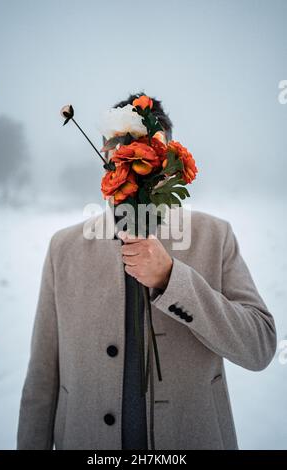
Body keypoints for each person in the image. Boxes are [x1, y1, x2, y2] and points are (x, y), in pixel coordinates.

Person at [17, 93, 277, 450]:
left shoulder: (215, 236)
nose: (133, 164)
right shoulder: (63, 248)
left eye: (148, 153)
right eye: (120, 148)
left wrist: (173, 280)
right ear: (105, 155)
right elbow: (41, 381)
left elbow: (259, 347)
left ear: (168, 162)